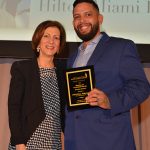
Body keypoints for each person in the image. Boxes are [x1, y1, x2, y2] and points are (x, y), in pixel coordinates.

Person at [64, 0, 150, 150]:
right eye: (77, 16)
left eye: (88, 14)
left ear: (100, 18)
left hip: (109, 141)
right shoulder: (72, 57)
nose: (82, 20)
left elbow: (141, 87)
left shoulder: (121, 47)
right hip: (75, 142)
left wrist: (110, 101)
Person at [8, 20, 66, 150]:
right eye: (46, 36)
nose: (51, 41)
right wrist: (19, 142)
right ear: (38, 40)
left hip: (53, 142)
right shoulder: (22, 68)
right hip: (28, 142)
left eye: (56, 38)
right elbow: (14, 108)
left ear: (59, 45)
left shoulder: (63, 71)